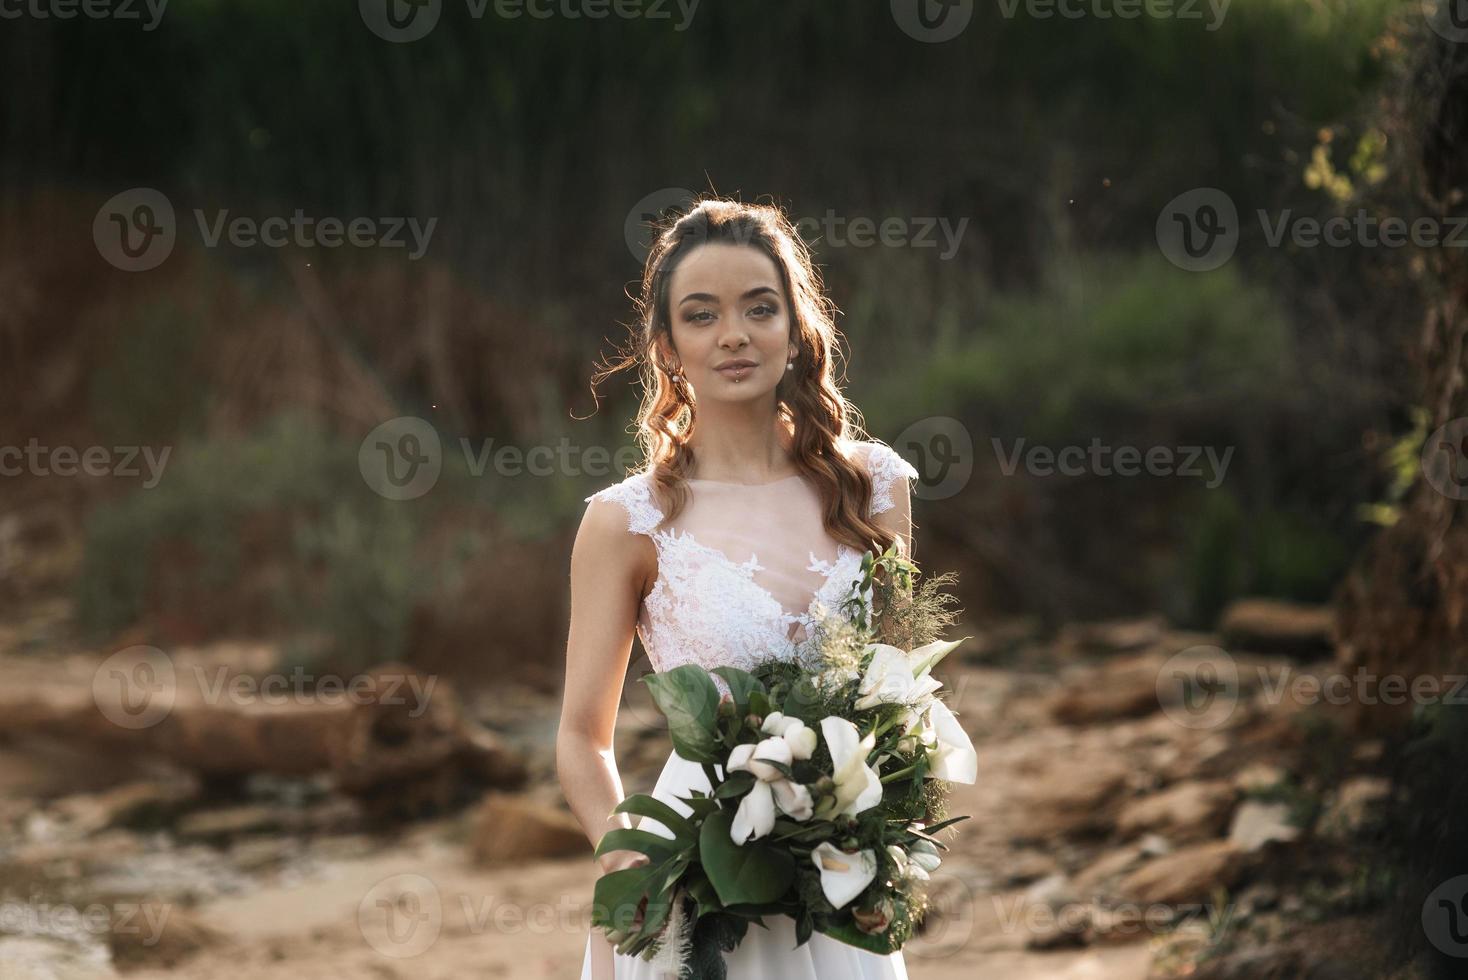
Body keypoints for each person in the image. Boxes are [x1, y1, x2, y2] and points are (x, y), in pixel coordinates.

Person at [559, 198, 917, 979]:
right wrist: (630, 859)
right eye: (702, 314)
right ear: (667, 346)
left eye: (760, 308)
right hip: (695, 863)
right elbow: (582, 737)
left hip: (837, 860)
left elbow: (896, 695)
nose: (734, 335)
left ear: (796, 328)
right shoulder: (628, 521)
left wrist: (883, 828)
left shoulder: (874, 486)